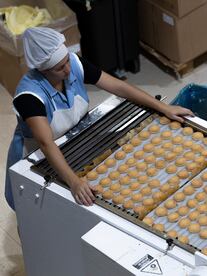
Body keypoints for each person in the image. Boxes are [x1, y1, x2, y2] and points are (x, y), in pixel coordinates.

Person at [5, 27, 193, 210]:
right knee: (35, 214)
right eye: (60, 68)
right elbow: (46, 143)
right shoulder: (29, 96)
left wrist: (164, 108)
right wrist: (74, 182)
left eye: (67, 61)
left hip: (74, 145)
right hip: (39, 157)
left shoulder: (73, 64)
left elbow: (118, 87)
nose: (68, 69)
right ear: (43, 70)